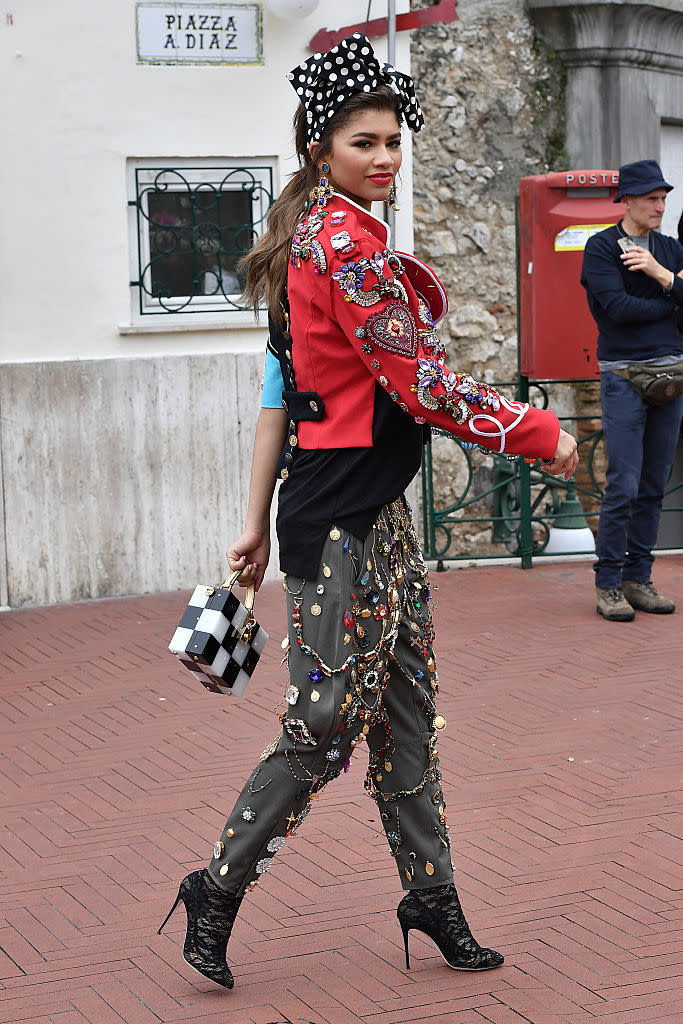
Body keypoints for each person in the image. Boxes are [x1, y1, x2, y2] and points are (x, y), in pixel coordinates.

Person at [158, 33, 578, 989]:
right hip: (339, 519)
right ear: (321, 150)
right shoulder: (342, 242)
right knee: (322, 721)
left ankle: (431, 898)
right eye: (364, 143)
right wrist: (531, 429)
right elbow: (418, 385)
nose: (385, 158)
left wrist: (254, 522)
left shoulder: (339, 234)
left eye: (393, 141)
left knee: (405, 712)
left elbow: (293, 396)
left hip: (369, 512)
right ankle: (215, 885)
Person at [581, 160, 683, 621]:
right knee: (623, 481)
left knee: (653, 483)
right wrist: (672, 295)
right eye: (651, 199)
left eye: (663, 198)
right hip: (624, 374)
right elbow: (616, 310)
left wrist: (661, 274)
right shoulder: (602, 247)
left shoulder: (669, 249)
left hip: (672, 374)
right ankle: (608, 585)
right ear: (626, 201)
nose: (660, 206)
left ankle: (638, 578)